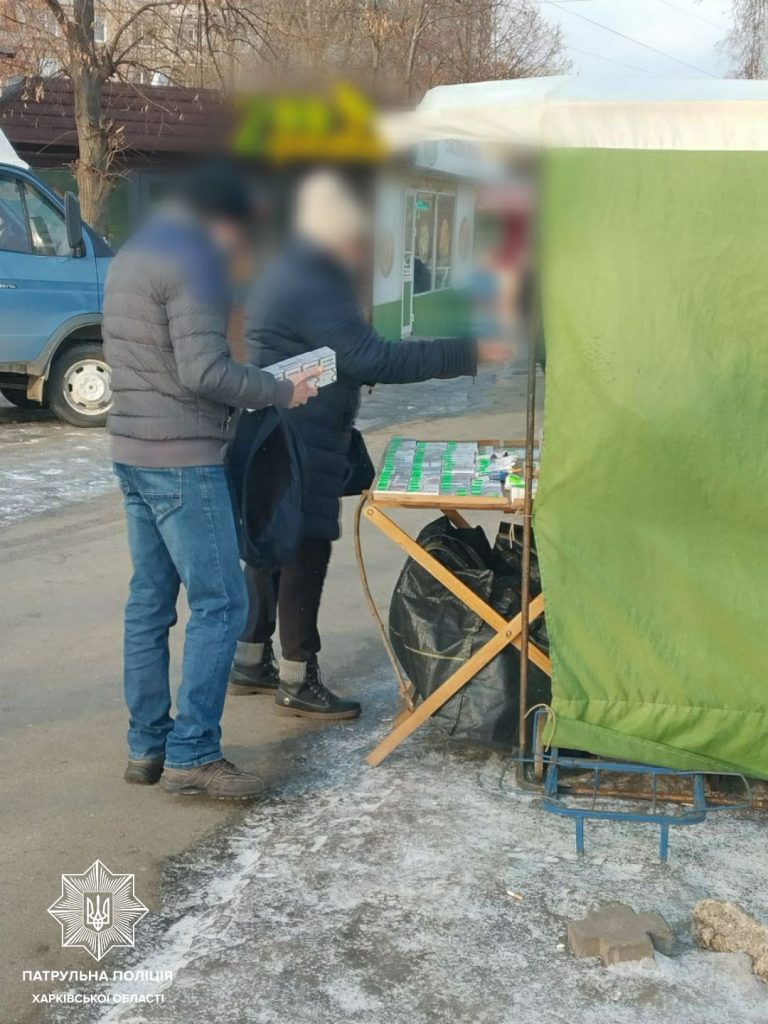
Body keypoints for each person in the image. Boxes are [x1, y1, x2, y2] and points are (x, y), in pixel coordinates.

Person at [230, 171, 509, 718]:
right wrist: (468, 353)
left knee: (271, 542)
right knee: (302, 548)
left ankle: (249, 658)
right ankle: (296, 676)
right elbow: (371, 358)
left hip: (277, 426)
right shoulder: (315, 278)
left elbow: (343, 353)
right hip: (302, 431)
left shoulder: (287, 265)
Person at [103, 162, 320, 800]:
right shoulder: (195, 262)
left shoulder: (131, 257)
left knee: (148, 605)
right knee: (220, 603)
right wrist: (283, 387)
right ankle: (193, 752)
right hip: (183, 458)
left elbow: (160, 361)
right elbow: (203, 372)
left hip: (134, 450)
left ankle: (147, 747)